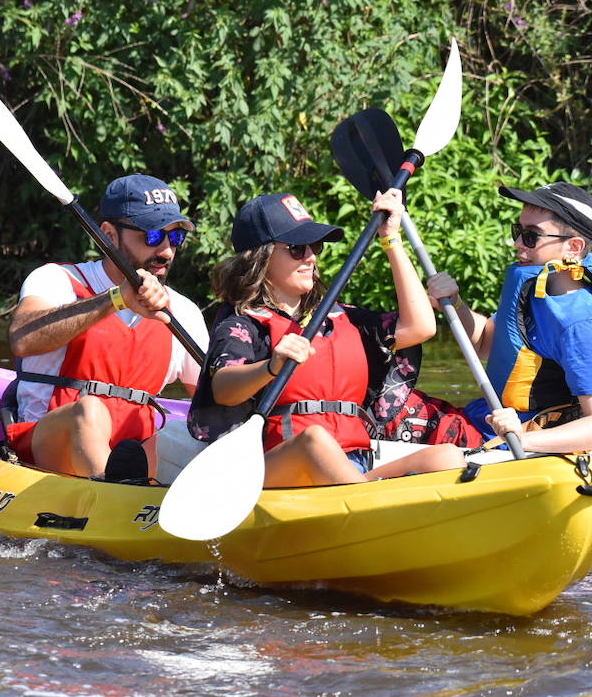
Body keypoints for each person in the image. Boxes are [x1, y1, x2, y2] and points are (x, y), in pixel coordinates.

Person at [187, 189, 465, 486]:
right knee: (315, 441)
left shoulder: (339, 317)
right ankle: (366, 502)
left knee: (446, 457)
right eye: (296, 248)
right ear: (260, 257)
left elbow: (421, 327)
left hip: (354, 464)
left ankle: (366, 497)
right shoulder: (242, 321)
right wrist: (271, 366)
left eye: (314, 246)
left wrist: (391, 239)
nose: (310, 257)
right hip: (282, 463)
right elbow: (223, 388)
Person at [6, 174, 208, 479]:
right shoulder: (57, 280)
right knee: (90, 410)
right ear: (109, 234)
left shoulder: (183, 311)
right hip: (47, 446)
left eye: (175, 237)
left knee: (187, 432)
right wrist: (117, 299)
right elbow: (22, 338)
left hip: (135, 453)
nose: (166, 251)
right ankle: (111, 490)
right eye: (152, 236)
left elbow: (213, 402)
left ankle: (130, 488)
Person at [426, 182, 592, 454]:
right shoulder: (536, 291)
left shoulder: (583, 324)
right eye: (518, 231)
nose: (517, 243)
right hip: (484, 423)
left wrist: (521, 438)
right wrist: (455, 304)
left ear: (573, 247)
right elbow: (485, 343)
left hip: (517, 442)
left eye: (531, 236)